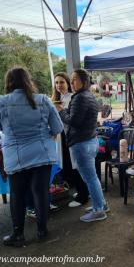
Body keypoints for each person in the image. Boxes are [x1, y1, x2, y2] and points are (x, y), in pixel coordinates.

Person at [0, 67, 63, 246]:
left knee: (17, 194)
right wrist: (43, 135)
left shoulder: (0, 102)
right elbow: (58, 128)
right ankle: (43, 232)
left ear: (8, 82)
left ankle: (18, 235)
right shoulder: (43, 100)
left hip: (15, 156)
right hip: (42, 153)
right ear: (29, 81)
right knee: (41, 192)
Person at [56, 69, 109, 222]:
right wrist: (66, 111)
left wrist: (60, 111)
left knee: (90, 179)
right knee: (92, 178)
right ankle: (101, 205)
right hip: (89, 141)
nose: (71, 83)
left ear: (83, 81)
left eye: (74, 80)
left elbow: (74, 121)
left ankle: (99, 210)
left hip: (82, 143)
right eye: (71, 80)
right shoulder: (88, 95)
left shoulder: (80, 97)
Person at [52, 72, 90, 207]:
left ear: (68, 83)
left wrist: (60, 110)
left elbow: (72, 120)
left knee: (75, 166)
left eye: (62, 82)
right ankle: (82, 191)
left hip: (71, 136)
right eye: (56, 82)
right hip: (61, 136)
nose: (59, 85)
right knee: (67, 167)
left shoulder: (72, 99)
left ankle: (83, 195)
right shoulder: (57, 99)